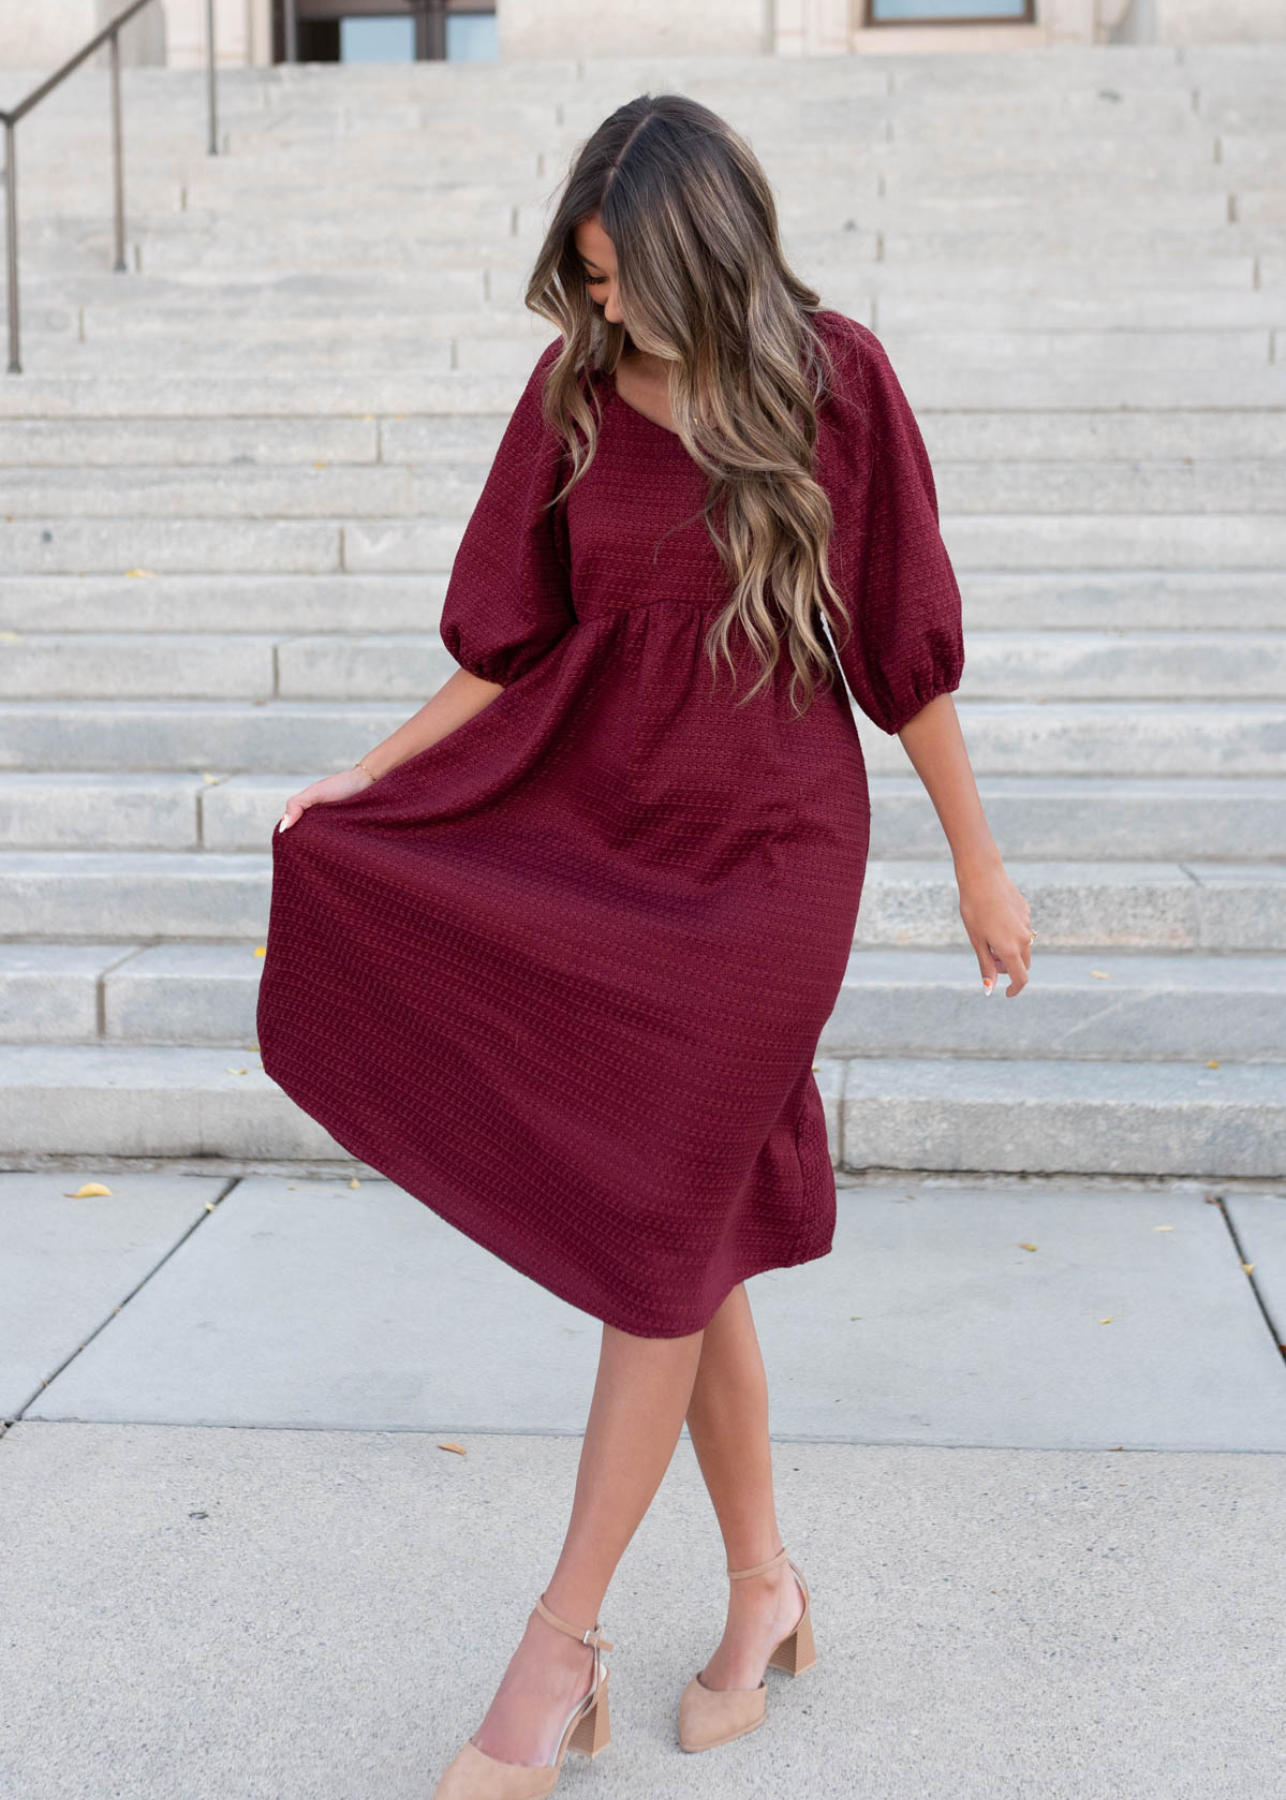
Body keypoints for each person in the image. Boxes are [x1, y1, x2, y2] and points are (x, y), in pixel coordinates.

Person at [255, 92, 1033, 1800]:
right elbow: (504, 647)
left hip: (770, 868)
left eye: (619, 281)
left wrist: (980, 864)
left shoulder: (835, 383)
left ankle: (557, 1659)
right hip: (608, 847)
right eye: (586, 282)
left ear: (699, 249)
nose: (600, 312)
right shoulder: (574, 401)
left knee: (655, 1231)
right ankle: (765, 1592)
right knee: (683, 1230)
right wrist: (365, 784)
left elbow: (906, 651)